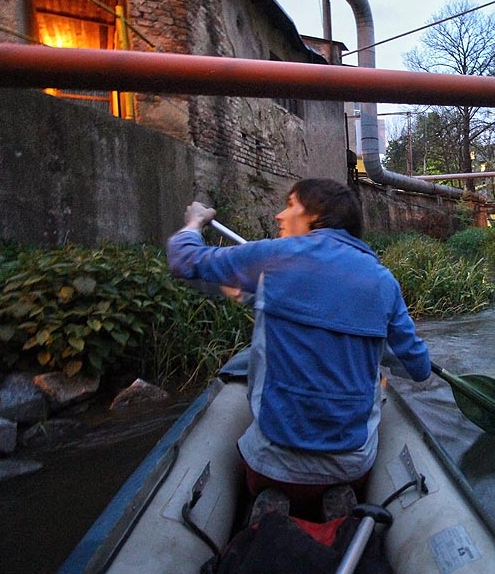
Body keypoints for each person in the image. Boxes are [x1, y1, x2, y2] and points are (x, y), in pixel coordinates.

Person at [166, 179, 431, 518]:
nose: (280, 214)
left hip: (271, 466)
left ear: (316, 214)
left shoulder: (273, 258)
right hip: (351, 467)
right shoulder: (385, 283)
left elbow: (183, 258)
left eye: (290, 204)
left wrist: (194, 222)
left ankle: (272, 505)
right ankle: (337, 501)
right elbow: (419, 369)